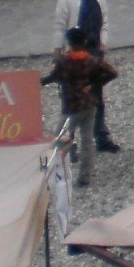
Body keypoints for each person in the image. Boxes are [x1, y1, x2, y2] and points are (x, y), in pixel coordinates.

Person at [52, 0, 119, 150]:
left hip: (94, 53)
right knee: (71, 99)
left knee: (96, 95)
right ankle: (68, 142)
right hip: (75, 53)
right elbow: (60, 26)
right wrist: (58, 50)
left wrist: (103, 42)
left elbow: (104, 20)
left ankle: (101, 136)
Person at [43, 26, 116, 186]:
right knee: (87, 141)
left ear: (69, 43)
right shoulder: (92, 60)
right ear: (84, 42)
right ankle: (85, 177)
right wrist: (94, 84)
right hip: (89, 103)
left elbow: (53, 77)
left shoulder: (65, 62)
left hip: (72, 106)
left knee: (60, 138)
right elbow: (112, 72)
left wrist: (39, 82)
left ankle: (55, 174)